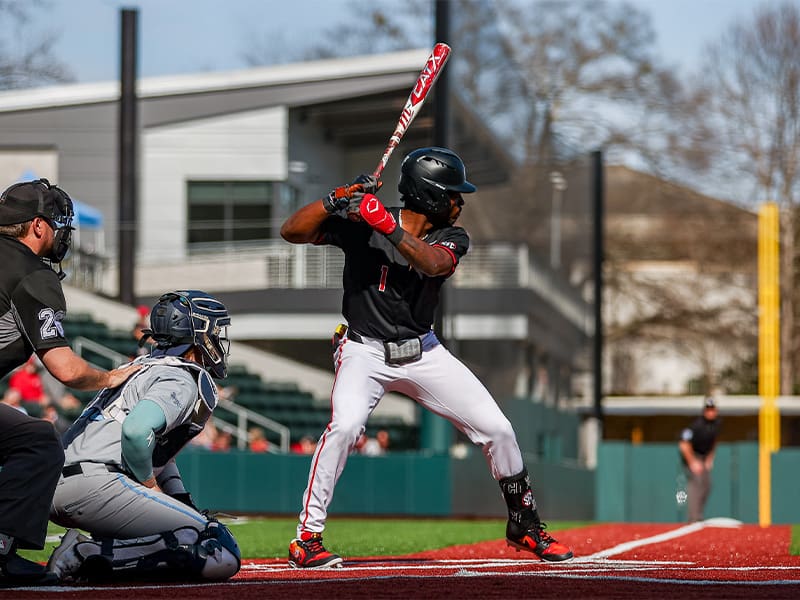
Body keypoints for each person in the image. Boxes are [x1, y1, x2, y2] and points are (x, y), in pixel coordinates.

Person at [280, 147, 573, 569]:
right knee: (344, 427)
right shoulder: (359, 225)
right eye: (454, 193)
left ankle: (524, 525)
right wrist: (335, 199)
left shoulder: (450, 237)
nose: (461, 201)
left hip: (424, 352)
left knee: (499, 429)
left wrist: (386, 225)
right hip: (363, 351)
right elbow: (292, 232)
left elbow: (432, 264)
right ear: (431, 195)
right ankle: (307, 538)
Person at [45, 290, 241, 583]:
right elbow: (137, 432)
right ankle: (83, 552)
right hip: (98, 483)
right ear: (198, 333)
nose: (219, 338)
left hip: (60, 482)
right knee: (217, 548)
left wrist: (178, 498)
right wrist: (150, 486)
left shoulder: (138, 367)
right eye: (215, 330)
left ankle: (98, 550)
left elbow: (157, 448)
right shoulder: (181, 376)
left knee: (188, 529)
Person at [0, 178, 139, 586]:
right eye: (57, 224)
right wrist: (111, 376)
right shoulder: (31, 274)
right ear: (38, 226)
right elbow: (67, 370)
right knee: (38, 442)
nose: (62, 234)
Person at [679, 396, 721, 522]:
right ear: (704, 411)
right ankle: (693, 517)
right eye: (708, 409)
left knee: (707, 485)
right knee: (696, 483)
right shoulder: (697, 426)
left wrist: (709, 459)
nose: (710, 412)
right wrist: (692, 462)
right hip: (693, 456)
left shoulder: (716, 424)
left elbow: (714, 442)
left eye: (712, 409)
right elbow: (683, 444)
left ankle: (699, 514)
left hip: (703, 457)